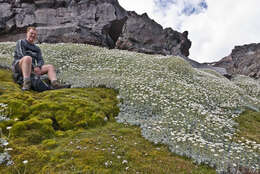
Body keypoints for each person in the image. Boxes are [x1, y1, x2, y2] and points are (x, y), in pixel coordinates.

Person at [12, 26, 68, 90]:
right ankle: (26, 83)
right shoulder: (21, 42)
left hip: (32, 68)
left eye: (35, 34)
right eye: (31, 33)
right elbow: (21, 55)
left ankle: (55, 84)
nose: (33, 35)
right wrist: (33, 67)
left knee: (50, 66)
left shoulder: (37, 48)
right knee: (28, 58)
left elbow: (40, 60)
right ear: (27, 33)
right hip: (20, 66)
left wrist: (38, 66)